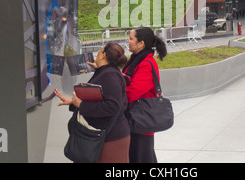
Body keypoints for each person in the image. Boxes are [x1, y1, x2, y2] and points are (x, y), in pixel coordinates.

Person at [55, 43, 130, 163]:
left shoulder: (109, 75)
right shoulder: (107, 72)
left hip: (110, 138)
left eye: (101, 51)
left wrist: (81, 105)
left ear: (103, 55)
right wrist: (73, 102)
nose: (98, 53)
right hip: (105, 136)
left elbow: (112, 106)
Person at [123, 27, 167, 163]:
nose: (128, 41)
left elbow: (132, 93)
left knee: (142, 158)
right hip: (135, 120)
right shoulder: (136, 60)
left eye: (131, 38)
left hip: (141, 123)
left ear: (141, 44)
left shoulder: (146, 64)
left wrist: (111, 95)